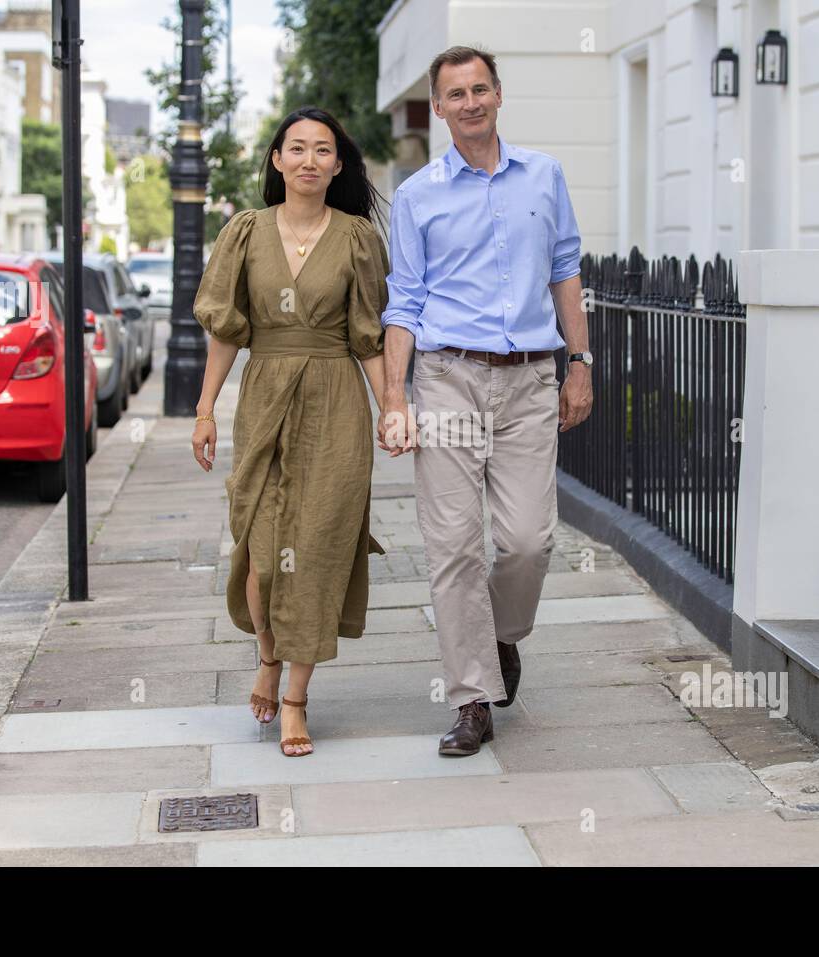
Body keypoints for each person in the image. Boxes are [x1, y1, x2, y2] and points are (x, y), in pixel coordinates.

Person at [377, 46, 595, 756]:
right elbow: (403, 303)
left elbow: (565, 269)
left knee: (530, 540)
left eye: (480, 89)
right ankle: (472, 696)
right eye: (454, 94)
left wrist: (581, 361)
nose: (469, 102)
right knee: (453, 546)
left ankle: (500, 636)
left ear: (498, 95)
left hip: (530, 376)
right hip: (447, 377)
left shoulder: (545, 175)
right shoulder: (417, 197)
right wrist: (393, 399)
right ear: (437, 107)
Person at [192, 107, 391, 757]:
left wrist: (393, 403)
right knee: (259, 543)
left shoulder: (358, 238)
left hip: (336, 401)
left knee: (318, 545)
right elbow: (226, 329)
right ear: (276, 160)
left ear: (338, 165)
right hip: (266, 393)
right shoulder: (244, 233)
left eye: (323, 150)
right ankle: (268, 653)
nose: (309, 159)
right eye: (296, 148)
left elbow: (369, 335)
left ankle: (297, 698)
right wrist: (203, 408)